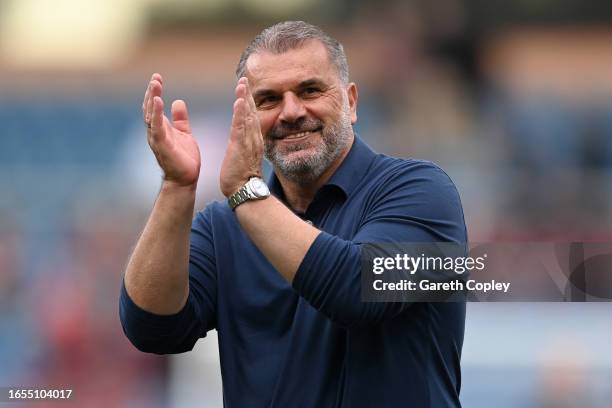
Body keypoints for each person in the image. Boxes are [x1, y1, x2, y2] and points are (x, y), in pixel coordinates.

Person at [120, 21, 467, 407]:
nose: (290, 111)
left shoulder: (422, 192)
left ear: (351, 102)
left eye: (310, 90)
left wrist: (245, 192)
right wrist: (176, 186)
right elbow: (151, 328)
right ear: (247, 116)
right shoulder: (223, 228)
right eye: (267, 100)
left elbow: (357, 289)